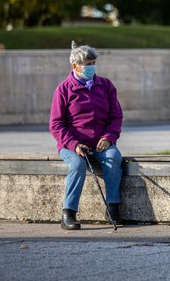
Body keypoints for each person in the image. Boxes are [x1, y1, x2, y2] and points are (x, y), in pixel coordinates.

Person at [49, 44, 124, 230]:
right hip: (72, 144)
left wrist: (108, 137)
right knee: (77, 164)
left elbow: (116, 117)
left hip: (100, 143)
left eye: (93, 62)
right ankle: (68, 213)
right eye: (87, 63)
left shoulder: (106, 86)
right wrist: (74, 144)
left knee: (114, 157)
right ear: (75, 66)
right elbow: (56, 125)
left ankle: (112, 207)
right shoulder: (63, 89)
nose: (91, 66)